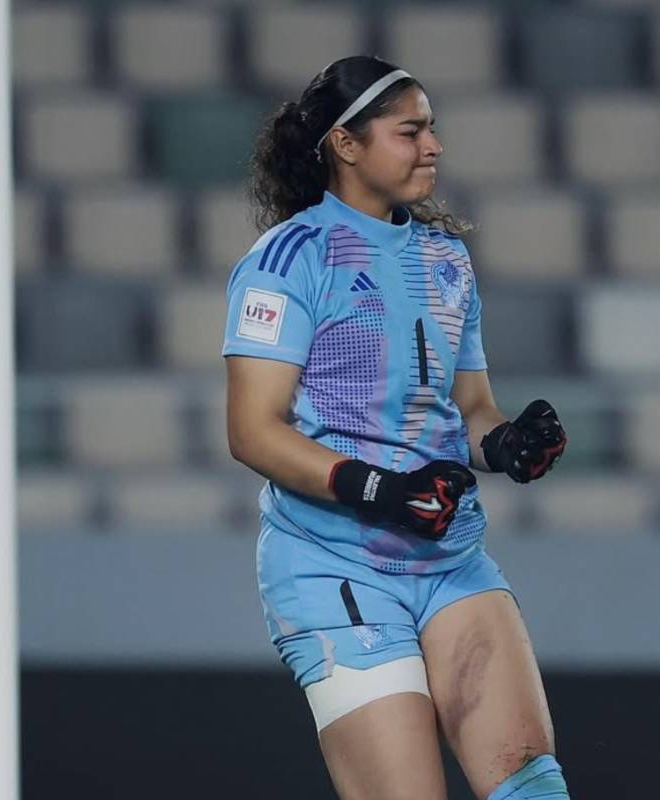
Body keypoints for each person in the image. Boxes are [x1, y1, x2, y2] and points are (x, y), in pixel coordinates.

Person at [222, 55, 571, 800]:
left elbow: (471, 411)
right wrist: (378, 490)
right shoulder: (285, 261)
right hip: (332, 569)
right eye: (410, 131)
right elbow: (253, 432)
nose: (434, 146)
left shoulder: (448, 260)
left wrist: (507, 445)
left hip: (450, 560)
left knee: (533, 788)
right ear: (346, 146)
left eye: (433, 129)